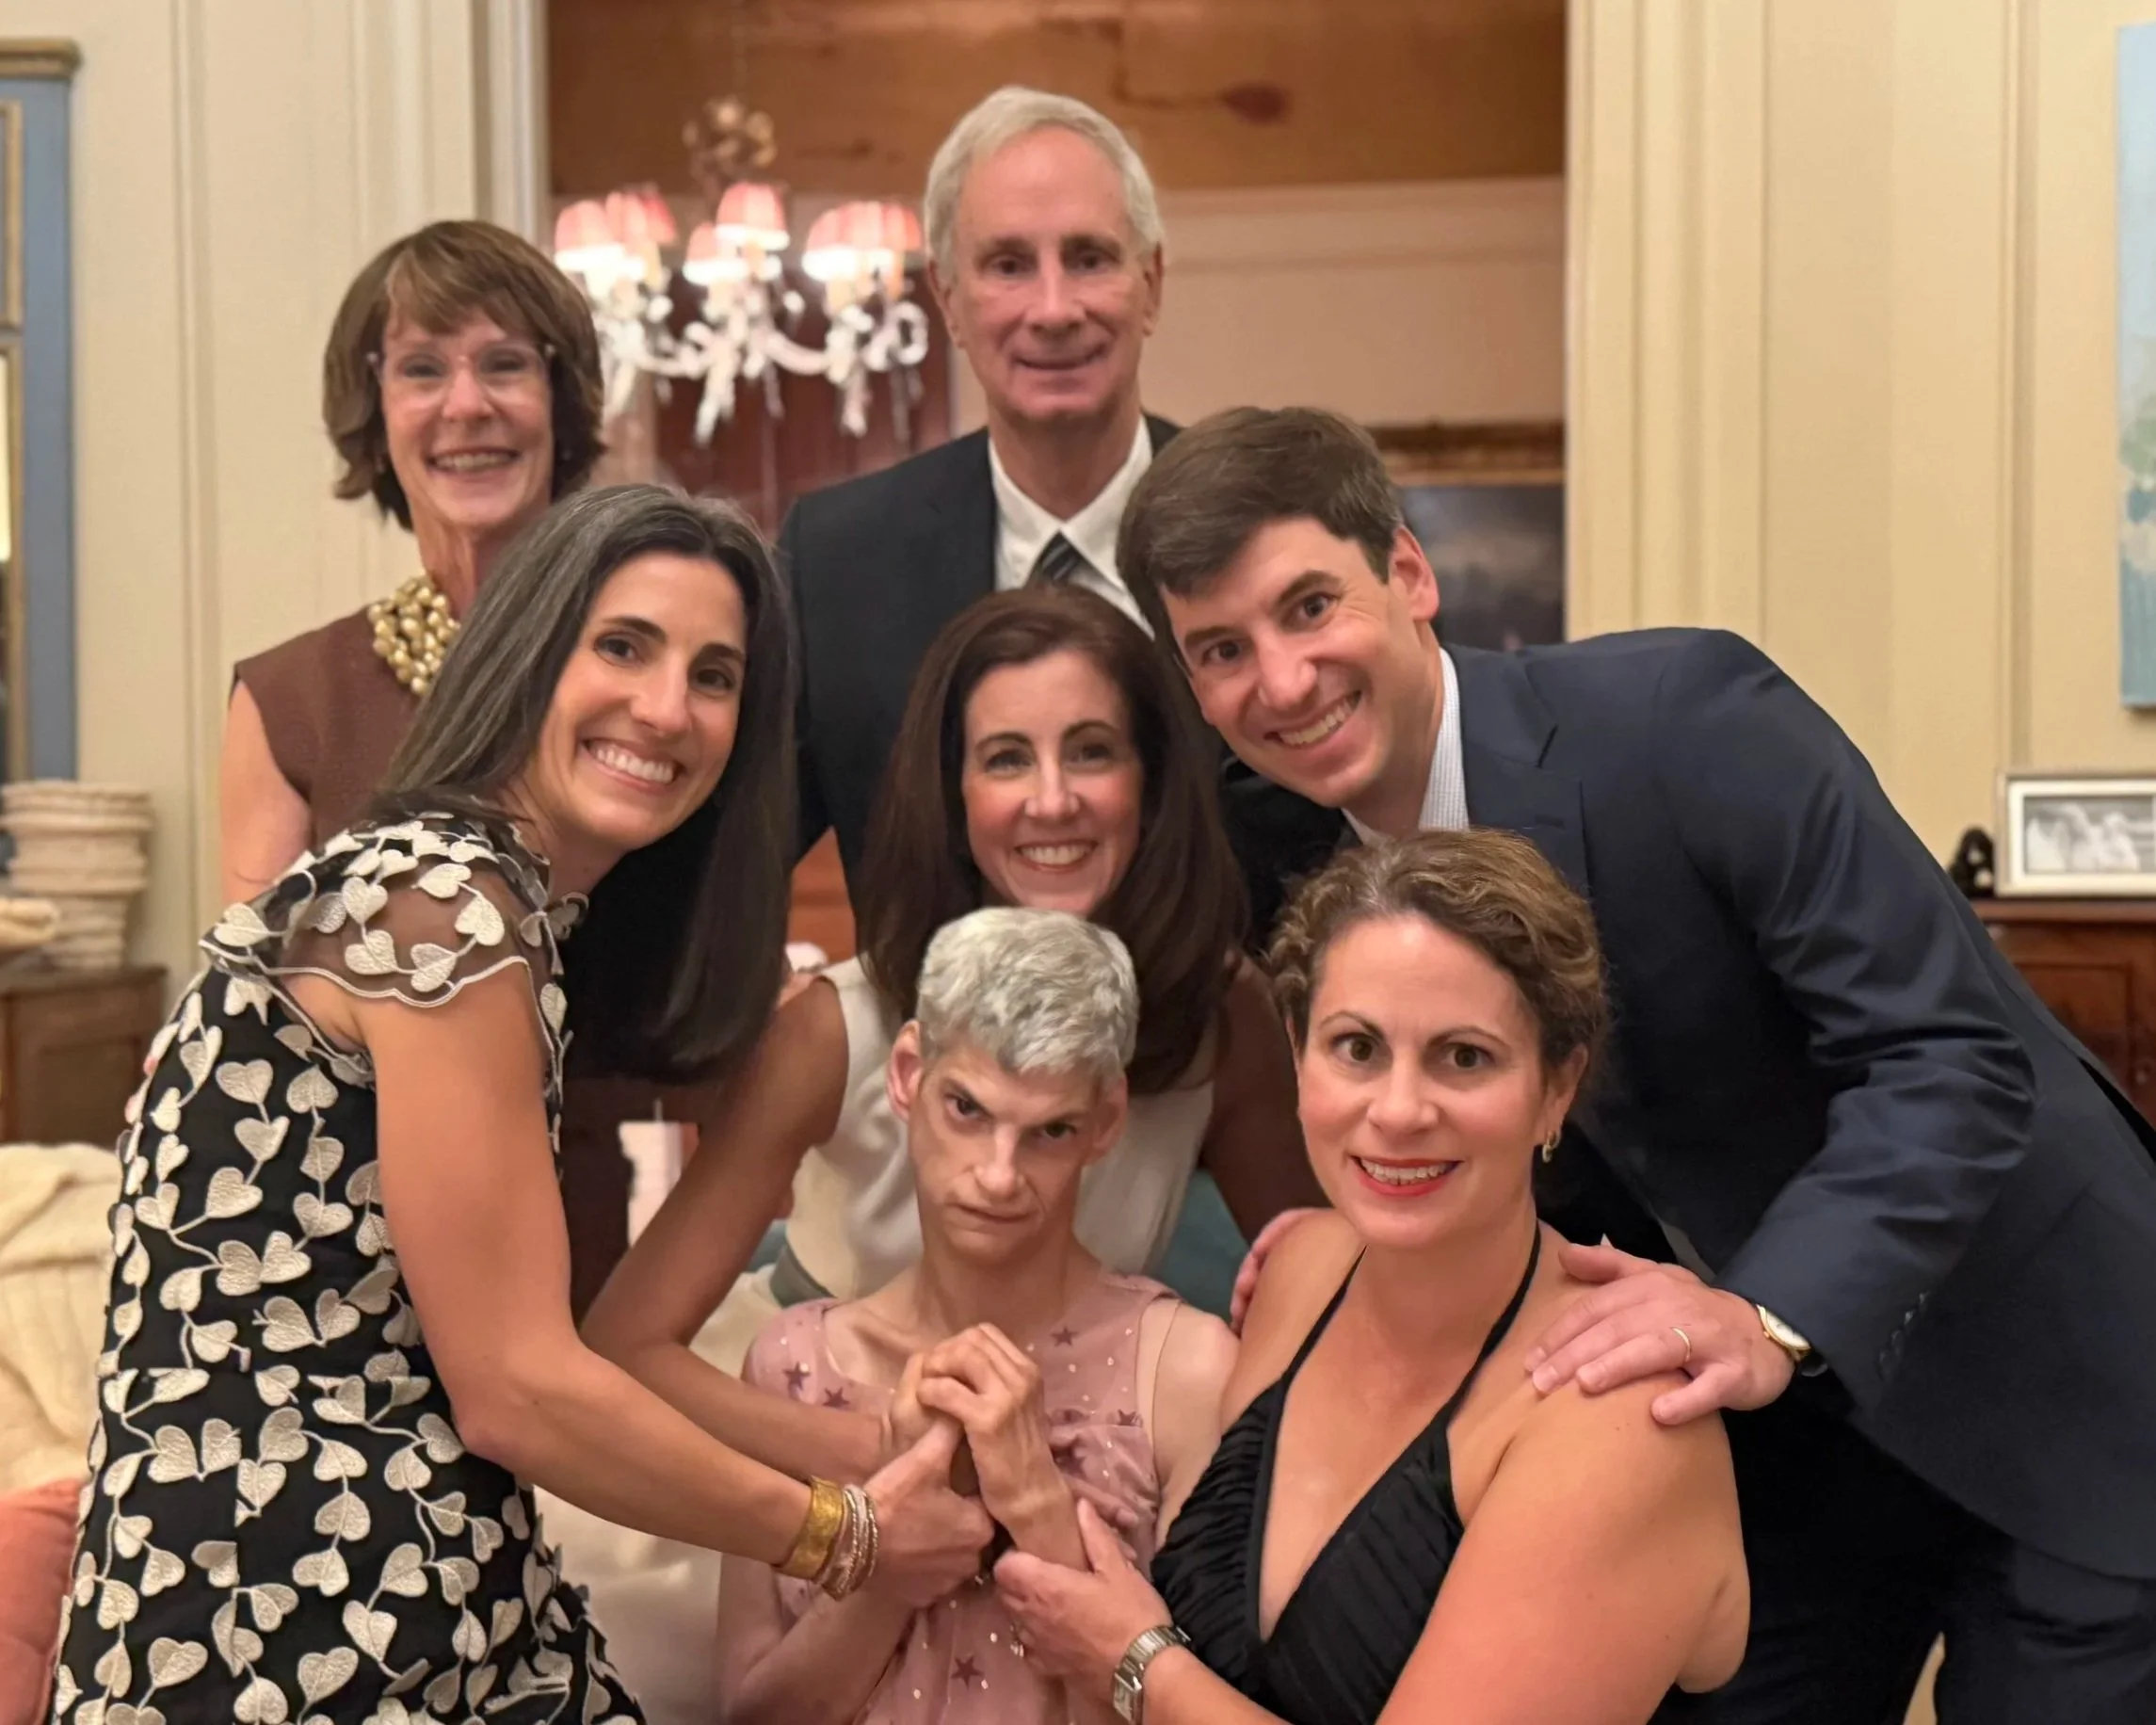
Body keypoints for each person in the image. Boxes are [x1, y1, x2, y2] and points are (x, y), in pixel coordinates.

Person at [1118, 405, 2156, 1723]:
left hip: (2049, 1379)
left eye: (1309, 606)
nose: (1279, 682)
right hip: (1766, 1439)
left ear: (1409, 574)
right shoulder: (1275, 835)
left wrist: (1768, 1313)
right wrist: (1361, 1228)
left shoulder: (1684, 716)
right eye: (1221, 649)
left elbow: (1948, 1057)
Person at [51, 487, 990, 1725]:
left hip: (331, 1592)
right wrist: (847, 1535)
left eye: (714, 676)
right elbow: (518, 1387)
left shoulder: (464, 896)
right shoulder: (445, 910)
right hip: (295, 1628)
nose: (667, 708)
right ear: (527, 652)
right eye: (623, 646)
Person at [995, 831, 1746, 1724]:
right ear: (1296, 1053)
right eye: (1356, 1047)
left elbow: (1145, 1652)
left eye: (1464, 1057)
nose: (1397, 1110)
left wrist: (1134, 1664)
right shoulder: (1302, 1269)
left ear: (1556, 1087)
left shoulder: (1622, 1424)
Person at [584, 585, 1316, 1404]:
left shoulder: (1220, 1015)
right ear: (954, 791)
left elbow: (1326, 1289)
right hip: (799, 1418)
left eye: (1091, 752)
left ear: (1151, 781)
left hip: (1083, 1437)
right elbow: (627, 1341)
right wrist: (867, 1465)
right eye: (1006, 759)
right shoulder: (838, 1025)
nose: (1052, 800)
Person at [780, 88, 1330, 937]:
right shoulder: (837, 563)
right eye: (1007, 265)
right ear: (949, 300)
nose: (1053, 309)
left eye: (1089, 258)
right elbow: (732, 854)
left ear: (1151, 284)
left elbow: (1390, 828)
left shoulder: (1281, 527)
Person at [717, 907, 1240, 1725]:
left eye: (1051, 1131)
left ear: (1106, 1123)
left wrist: (1036, 1506)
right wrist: (885, 1568)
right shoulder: (794, 1362)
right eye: (967, 1109)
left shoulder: (1184, 1370)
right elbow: (753, 1719)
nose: (998, 1176)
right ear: (906, 1075)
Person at [225, 218, 604, 896]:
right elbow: (259, 966)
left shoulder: (656, 665)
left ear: (560, 398)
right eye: (422, 370)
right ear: (375, 414)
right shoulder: (291, 702)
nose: (466, 405)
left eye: (505, 364)